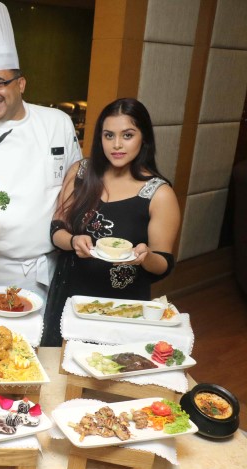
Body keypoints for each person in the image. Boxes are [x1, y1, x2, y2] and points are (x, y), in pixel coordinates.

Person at [0, 2, 82, 303]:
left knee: (43, 334)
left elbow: (75, 183)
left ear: (21, 84)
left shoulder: (57, 123)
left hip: (47, 266)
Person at [42, 98, 181, 346]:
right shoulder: (81, 172)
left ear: (144, 138)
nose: (116, 144)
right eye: (109, 135)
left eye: (127, 135)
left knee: (109, 366)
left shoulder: (159, 194)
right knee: (59, 364)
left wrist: (146, 256)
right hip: (70, 296)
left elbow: (164, 264)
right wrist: (73, 241)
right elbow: (57, 229)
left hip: (122, 306)